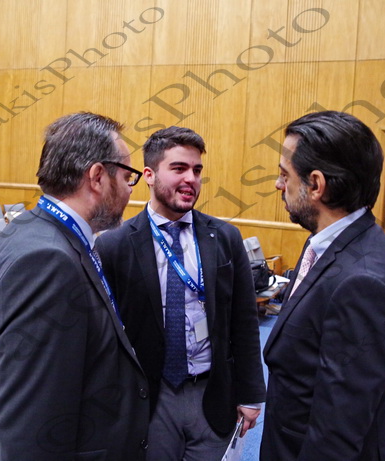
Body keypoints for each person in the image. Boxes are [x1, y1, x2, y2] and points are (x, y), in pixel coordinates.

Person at [0, 112, 150, 460]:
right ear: (97, 177)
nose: (131, 189)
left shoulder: (33, 229)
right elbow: (32, 429)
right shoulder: (47, 261)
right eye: (127, 176)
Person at [95, 126, 266, 460]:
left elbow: (244, 320)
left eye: (197, 170)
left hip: (212, 393)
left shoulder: (225, 237)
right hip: (150, 398)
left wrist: (250, 394)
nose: (191, 179)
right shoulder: (115, 245)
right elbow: (106, 334)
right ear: (148, 175)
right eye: (179, 168)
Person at [260, 111, 385, 461]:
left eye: (285, 175)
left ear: (316, 185)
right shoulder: (327, 243)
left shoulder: (364, 283)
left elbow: (337, 431)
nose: (278, 185)